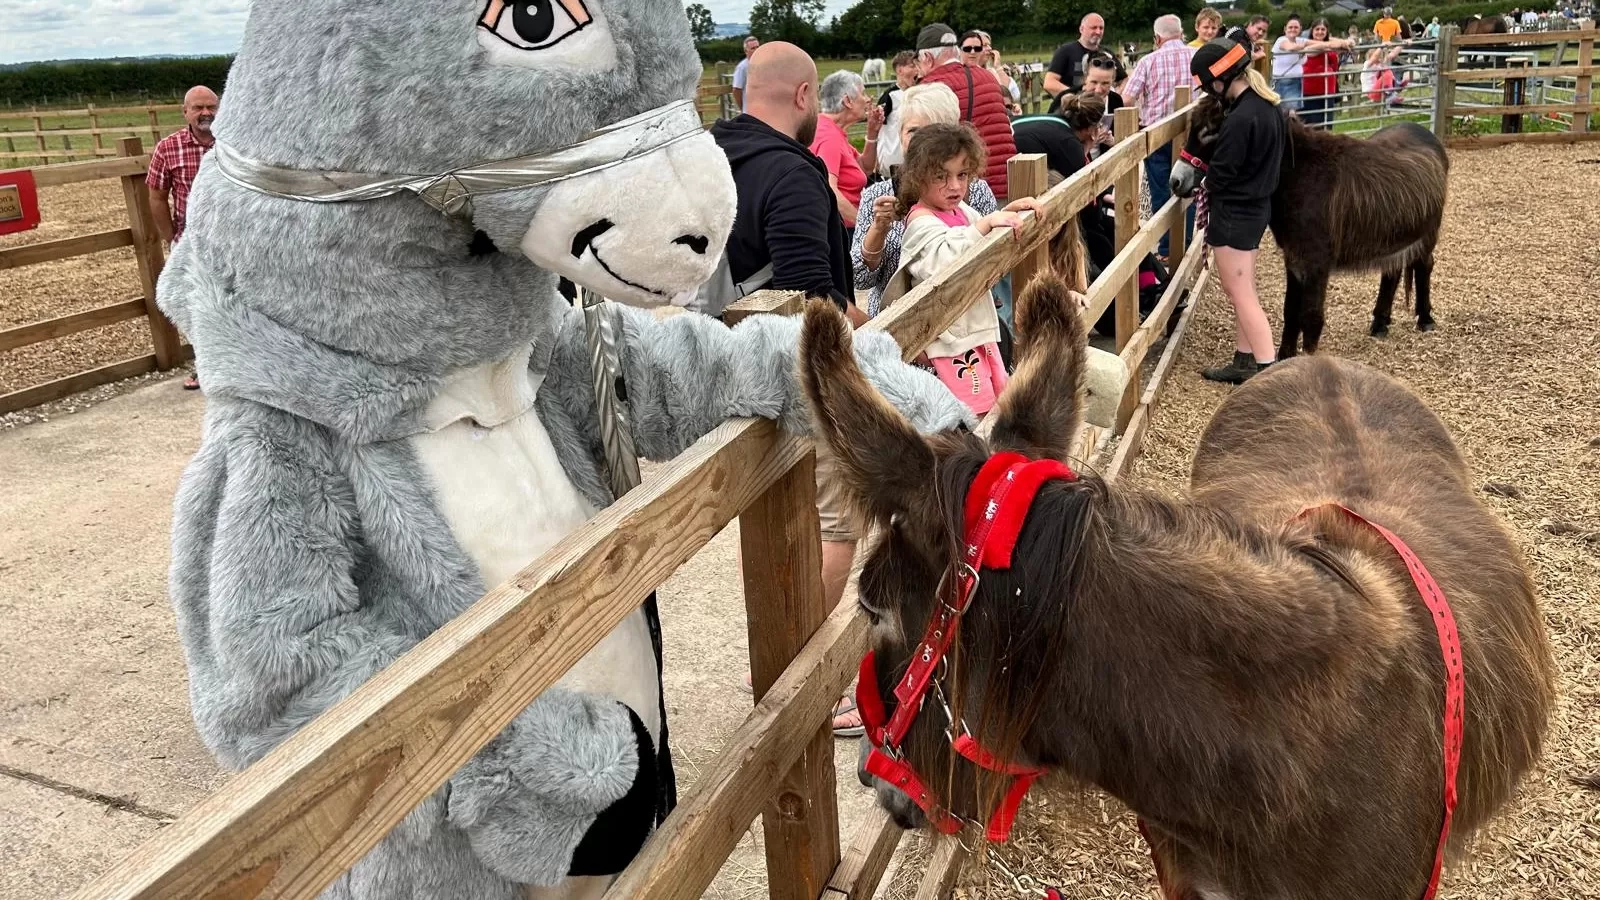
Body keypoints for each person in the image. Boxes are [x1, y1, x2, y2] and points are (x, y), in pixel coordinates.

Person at [709, 42, 872, 736]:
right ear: (806, 96)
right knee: (838, 522)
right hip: (796, 375)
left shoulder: (711, 157)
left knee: (782, 518)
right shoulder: (793, 174)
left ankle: (778, 670)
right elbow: (812, 296)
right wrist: (868, 325)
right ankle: (790, 682)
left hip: (726, 364)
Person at [884, 122, 1039, 415]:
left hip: (974, 333)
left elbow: (979, 236)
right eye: (941, 177)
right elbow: (945, 259)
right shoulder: (920, 222)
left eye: (962, 175)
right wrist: (985, 225)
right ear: (918, 177)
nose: (954, 186)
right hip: (949, 344)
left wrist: (1007, 214)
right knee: (970, 415)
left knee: (994, 407)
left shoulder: (960, 211)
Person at [854, 84, 998, 317]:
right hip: (896, 327)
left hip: (959, 325)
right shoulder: (878, 194)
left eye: (932, 132)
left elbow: (992, 264)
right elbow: (860, 279)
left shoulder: (974, 191)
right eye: (912, 131)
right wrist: (879, 229)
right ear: (900, 135)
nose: (922, 142)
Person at [1190, 37, 1287, 385]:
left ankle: (1267, 375)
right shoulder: (1270, 107)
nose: (1211, 92)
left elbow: (1223, 171)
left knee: (1242, 294)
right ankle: (1244, 361)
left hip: (1233, 213)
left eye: (1209, 85)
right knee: (1244, 290)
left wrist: (1204, 182)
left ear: (1221, 79)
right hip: (1257, 208)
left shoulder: (1239, 119)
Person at [147, 84, 218, 390]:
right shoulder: (168, 147)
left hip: (236, 240)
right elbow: (157, 197)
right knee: (196, 305)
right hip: (192, 242)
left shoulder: (235, 142)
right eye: (198, 107)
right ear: (185, 111)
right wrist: (171, 236)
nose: (205, 113)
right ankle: (205, 367)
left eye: (211, 107)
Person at [914, 22, 1017, 199]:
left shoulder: (930, 88)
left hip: (966, 190)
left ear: (928, 58)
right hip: (1007, 182)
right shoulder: (988, 77)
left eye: (919, 61)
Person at [1122, 14, 1196, 258]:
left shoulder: (1148, 61)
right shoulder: (1196, 57)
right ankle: (1185, 242)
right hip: (1190, 133)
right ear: (1181, 33)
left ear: (1157, 37)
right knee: (1190, 185)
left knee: (1161, 189)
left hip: (1157, 134)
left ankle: (1166, 248)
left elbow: (1128, 98)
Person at [811, 71, 881, 230]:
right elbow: (829, 189)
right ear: (848, 101)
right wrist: (866, 227)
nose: (868, 99)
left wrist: (872, 133)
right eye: (862, 93)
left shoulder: (827, 128)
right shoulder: (829, 138)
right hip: (844, 230)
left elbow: (864, 167)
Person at [1045, 13, 1126, 113]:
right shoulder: (1065, 51)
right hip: (1073, 110)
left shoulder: (1107, 54)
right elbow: (1049, 83)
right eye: (1094, 27)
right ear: (1081, 29)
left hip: (1102, 110)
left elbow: (1124, 79)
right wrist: (1077, 97)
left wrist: (1113, 94)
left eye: (1101, 28)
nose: (1098, 31)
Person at [1299, 18, 1355, 129]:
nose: (1320, 32)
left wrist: (1343, 42)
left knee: (1326, 124)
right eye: (1317, 29)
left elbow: (1352, 43)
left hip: (1328, 90)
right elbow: (1317, 48)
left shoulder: (1329, 43)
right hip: (1310, 90)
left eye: (1323, 29)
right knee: (1310, 125)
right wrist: (1341, 43)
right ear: (1312, 31)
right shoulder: (1306, 44)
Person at [873, 50, 919, 177]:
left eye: (917, 65)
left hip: (915, 161)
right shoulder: (889, 96)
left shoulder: (920, 94)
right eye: (912, 66)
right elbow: (876, 128)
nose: (917, 70)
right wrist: (876, 159)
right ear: (899, 70)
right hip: (892, 162)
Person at [1270, 15, 1310, 111]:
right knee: (1280, 112)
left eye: (1296, 27)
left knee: (1291, 113)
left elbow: (1321, 44)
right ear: (1285, 29)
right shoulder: (1281, 40)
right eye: (1290, 27)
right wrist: (1305, 47)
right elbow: (1290, 47)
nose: (1293, 29)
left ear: (1300, 29)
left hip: (1295, 81)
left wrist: (1343, 43)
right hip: (1280, 81)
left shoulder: (1301, 41)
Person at [730, 35, 759, 112]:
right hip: (750, 111)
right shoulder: (742, 67)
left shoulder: (764, 64)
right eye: (753, 48)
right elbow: (736, 89)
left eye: (757, 47)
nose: (756, 50)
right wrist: (743, 107)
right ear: (746, 51)